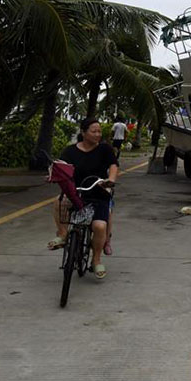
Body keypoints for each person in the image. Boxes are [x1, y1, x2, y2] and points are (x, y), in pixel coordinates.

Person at [48, 118, 118, 279]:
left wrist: (111, 180)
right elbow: (61, 167)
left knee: (99, 226)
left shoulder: (105, 149)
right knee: (59, 201)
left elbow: (113, 166)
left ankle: (96, 259)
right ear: (83, 132)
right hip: (77, 192)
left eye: (99, 131)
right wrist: (53, 175)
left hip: (98, 193)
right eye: (94, 131)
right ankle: (63, 235)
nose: (98, 134)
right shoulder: (70, 151)